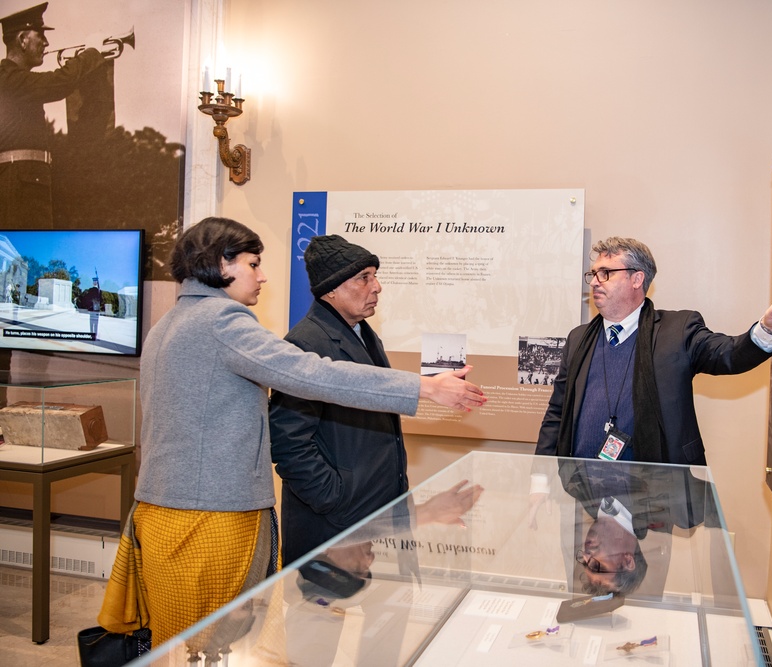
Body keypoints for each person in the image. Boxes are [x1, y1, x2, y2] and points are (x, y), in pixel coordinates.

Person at [96, 217, 486, 649]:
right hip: (208, 518)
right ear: (219, 263)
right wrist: (425, 387)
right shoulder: (222, 321)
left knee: (183, 643)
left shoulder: (169, 323)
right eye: (253, 264)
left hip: (163, 512)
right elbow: (309, 373)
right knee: (207, 644)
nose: (262, 276)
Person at [535, 236, 772, 464]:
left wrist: (769, 329)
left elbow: (729, 355)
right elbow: (557, 412)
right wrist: (541, 481)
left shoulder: (678, 330)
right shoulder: (578, 338)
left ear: (637, 279)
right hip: (578, 491)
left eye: (605, 273)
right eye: (593, 274)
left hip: (651, 498)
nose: (595, 281)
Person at [269, 235, 411, 564]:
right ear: (332, 289)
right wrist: (336, 498)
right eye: (364, 277)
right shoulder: (306, 343)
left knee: (385, 611)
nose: (376, 287)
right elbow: (289, 442)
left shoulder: (361, 331)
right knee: (320, 614)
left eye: (374, 275)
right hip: (331, 525)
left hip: (371, 515)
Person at [0, 3, 106, 228]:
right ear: (22, 40)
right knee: (23, 257)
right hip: (19, 182)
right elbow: (60, 83)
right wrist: (92, 52)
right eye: (40, 36)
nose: (46, 43)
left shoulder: (15, 79)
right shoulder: (9, 78)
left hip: (27, 179)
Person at [75, 273, 101, 337]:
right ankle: (95, 334)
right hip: (96, 309)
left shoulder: (91, 290)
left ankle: (92, 334)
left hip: (92, 309)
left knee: (92, 322)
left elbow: (87, 299)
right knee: (95, 323)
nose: (94, 283)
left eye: (94, 282)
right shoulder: (99, 291)